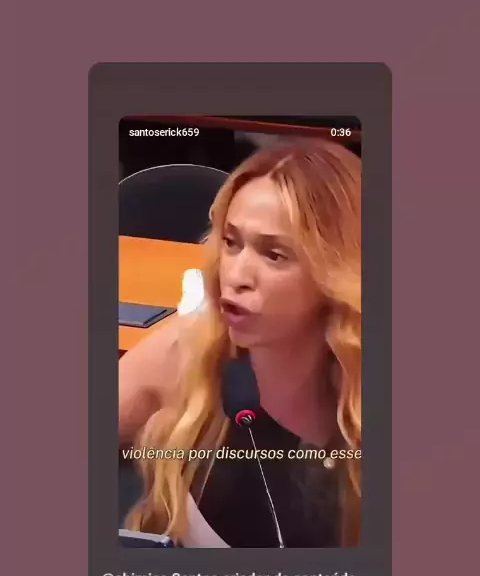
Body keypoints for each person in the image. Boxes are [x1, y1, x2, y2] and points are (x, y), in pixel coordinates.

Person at [119, 137, 361, 547]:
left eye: (275, 255)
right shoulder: (185, 354)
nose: (236, 275)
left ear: (337, 272)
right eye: (231, 243)